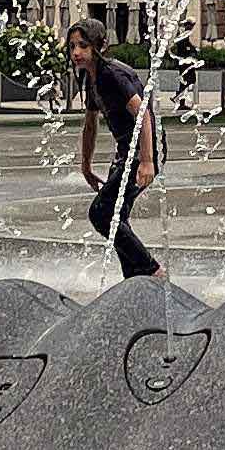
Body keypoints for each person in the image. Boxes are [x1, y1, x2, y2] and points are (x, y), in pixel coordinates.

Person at [66, 21, 163, 281]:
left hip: (144, 151)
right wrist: (85, 166)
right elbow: (90, 126)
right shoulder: (91, 76)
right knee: (116, 218)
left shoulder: (112, 74)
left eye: (83, 46)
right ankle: (133, 278)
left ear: (100, 46)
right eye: (73, 46)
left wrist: (147, 161)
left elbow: (143, 115)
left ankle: (153, 271)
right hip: (126, 152)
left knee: (101, 213)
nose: (76, 52)